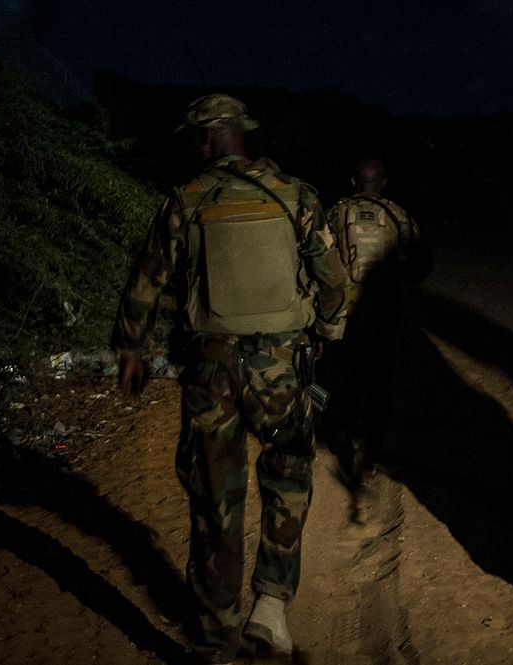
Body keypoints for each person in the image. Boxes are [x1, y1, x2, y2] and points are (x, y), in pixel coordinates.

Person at [112, 94, 347, 664]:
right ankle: (270, 608)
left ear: (210, 137)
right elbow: (335, 281)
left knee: (216, 498)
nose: (191, 148)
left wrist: (130, 347)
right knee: (288, 481)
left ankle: (216, 634)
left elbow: (147, 280)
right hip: (282, 372)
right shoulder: (297, 196)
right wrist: (324, 333)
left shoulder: (185, 201)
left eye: (194, 137)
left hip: (211, 371)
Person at [324, 157, 429, 492]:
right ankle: (371, 453)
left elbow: (317, 258)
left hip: (347, 315)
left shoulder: (336, 213)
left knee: (347, 379)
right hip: (384, 312)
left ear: (353, 182)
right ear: (382, 183)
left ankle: (346, 441)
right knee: (379, 379)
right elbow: (421, 266)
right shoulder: (399, 215)